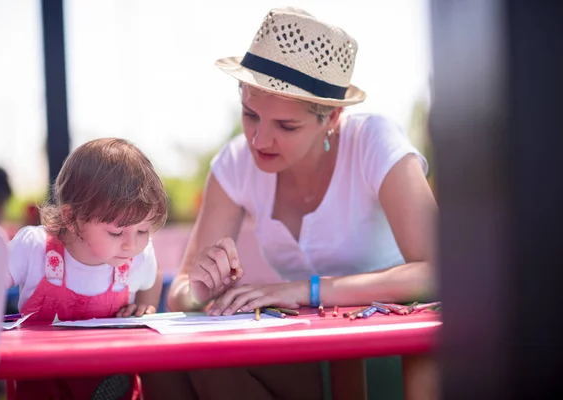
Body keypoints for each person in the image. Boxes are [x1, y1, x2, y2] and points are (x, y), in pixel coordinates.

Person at [143, 7, 439, 400]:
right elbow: (181, 292)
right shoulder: (234, 163)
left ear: (332, 117)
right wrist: (205, 287)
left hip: (386, 352)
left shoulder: (374, 141)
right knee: (162, 366)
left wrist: (305, 290)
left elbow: (441, 272)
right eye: (250, 116)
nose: (259, 140)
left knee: (205, 370)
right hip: (301, 347)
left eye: (286, 126)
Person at [6, 138, 168, 400]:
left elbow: (152, 275)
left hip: (111, 383)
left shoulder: (137, 258)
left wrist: (146, 308)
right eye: (116, 232)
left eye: (143, 230)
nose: (132, 244)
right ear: (71, 218)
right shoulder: (34, 248)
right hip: (42, 380)